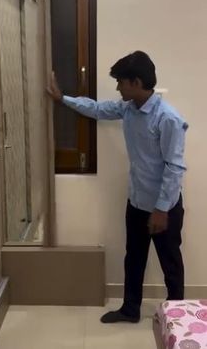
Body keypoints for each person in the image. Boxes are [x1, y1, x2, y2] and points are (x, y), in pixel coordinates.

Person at [47, 51, 188, 324]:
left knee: (170, 263)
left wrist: (160, 210)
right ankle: (130, 310)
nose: (117, 88)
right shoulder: (128, 109)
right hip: (136, 202)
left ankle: (177, 319)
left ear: (136, 82)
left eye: (120, 82)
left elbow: (175, 167)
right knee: (133, 258)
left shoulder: (167, 118)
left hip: (163, 207)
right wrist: (62, 99)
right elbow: (97, 109)